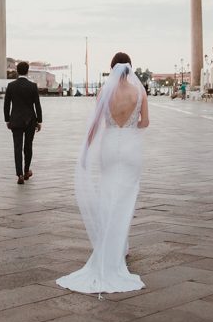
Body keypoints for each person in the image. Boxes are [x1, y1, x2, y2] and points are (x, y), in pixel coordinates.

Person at [57, 52, 149, 295]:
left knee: (109, 196)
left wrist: (86, 151)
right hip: (130, 147)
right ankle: (121, 245)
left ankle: (111, 244)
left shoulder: (103, 93)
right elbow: (145, 122)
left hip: (108, 146)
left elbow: (95, 124)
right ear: (130, 69)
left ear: (112, 69)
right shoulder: (139, 92)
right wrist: (131, 127)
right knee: (126, 199)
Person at [3, 61, 43, 184]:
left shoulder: (11, 86)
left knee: (17, 147)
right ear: (27, 71)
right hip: (30, 120)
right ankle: (26, 171)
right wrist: (39, 120)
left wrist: (7, 119)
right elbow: (37, 105)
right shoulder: (32, 86)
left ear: (17, 70)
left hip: (15, 120)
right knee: (28, 146)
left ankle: (19, 174)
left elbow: (6, 104)